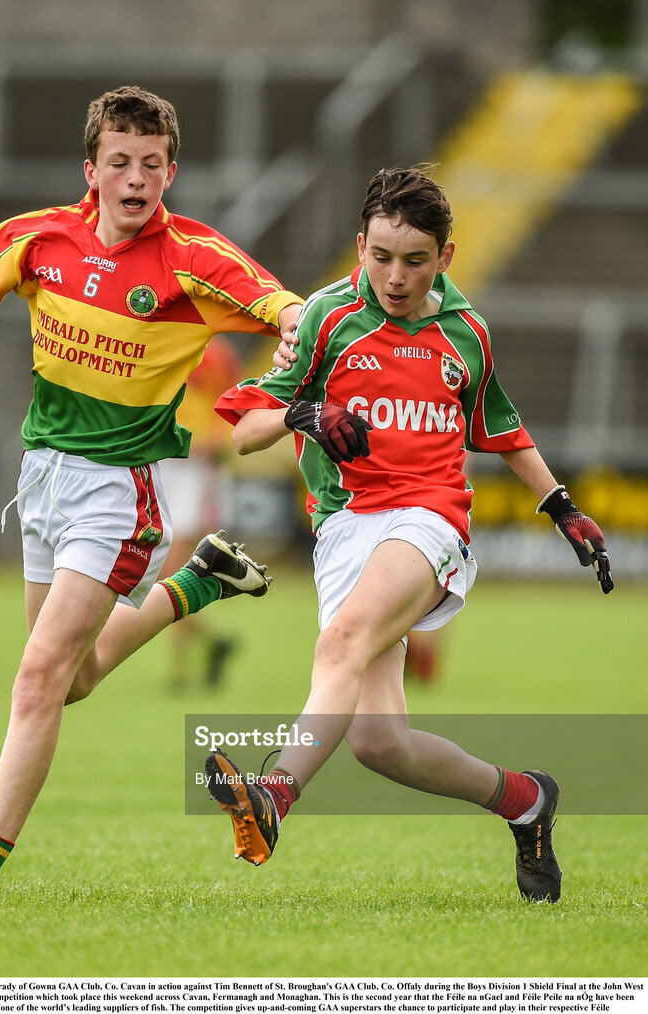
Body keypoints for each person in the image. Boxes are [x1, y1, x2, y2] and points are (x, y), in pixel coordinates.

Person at [0, 85, 302, 894]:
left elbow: (281, 305)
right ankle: (198, 580)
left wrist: (296, 327)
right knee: (74, 679)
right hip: (41, 480)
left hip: (117, 497)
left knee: (36, 680)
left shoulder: (193, 258)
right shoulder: (40, 239)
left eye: (153, 165)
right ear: (89, 167)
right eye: (121, 162)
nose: (136, 179)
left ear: (171, 172)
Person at [204, 166, 614, 904]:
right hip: (343, 530)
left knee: (342, 642)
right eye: (381, 257)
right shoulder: (325, 318)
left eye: (415, 260)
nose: (395, 276)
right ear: (359, 245)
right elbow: (245, 432)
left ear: (445, 257)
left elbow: (501, 429)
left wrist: (560, 506)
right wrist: (303, 415)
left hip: (428, 520)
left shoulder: (466, 334)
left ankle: (273, 796)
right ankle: (525, 799)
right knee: (377, 743)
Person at [158, 335, 245, 690]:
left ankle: (180, 669)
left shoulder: (218, 354)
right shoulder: (160, 340)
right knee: (162, 572)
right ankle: (211, 643)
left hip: (196, 468)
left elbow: (231, 408)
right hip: (162, 463)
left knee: (173, 568)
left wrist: (213, 445)